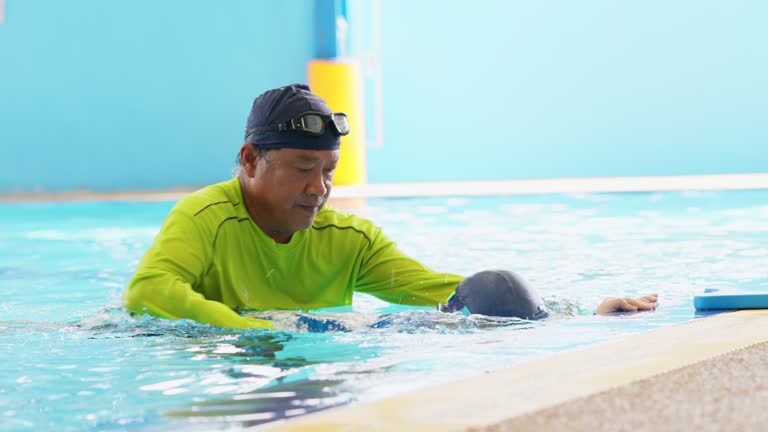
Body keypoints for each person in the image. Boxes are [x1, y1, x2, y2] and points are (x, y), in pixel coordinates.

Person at [123, 84, 657, 329]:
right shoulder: (204, 218)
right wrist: (257, 334)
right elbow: (149, 292)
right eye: (303, 170)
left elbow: (448, 292)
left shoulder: (348, 241)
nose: (318, 190)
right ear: (249, 160)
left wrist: (573, 312)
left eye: (329, 172)